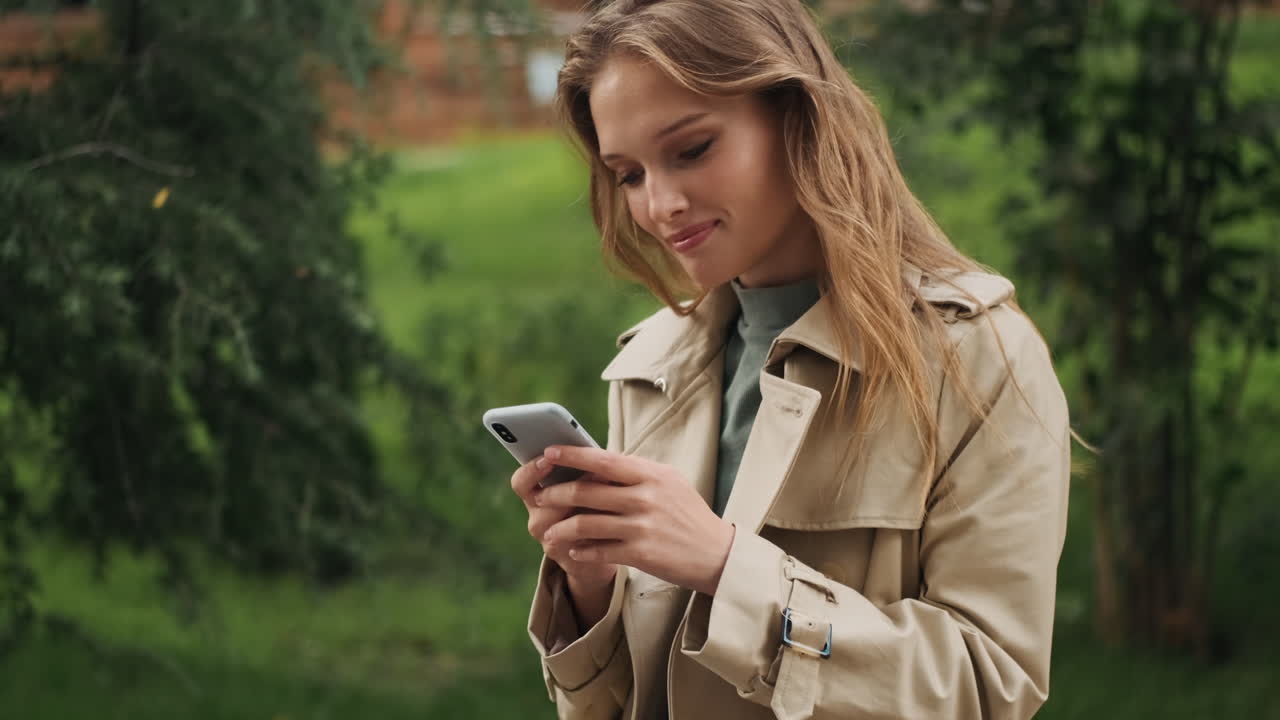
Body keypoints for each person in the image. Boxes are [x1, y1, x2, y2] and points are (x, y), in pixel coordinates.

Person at [507, 1, 1071, 718]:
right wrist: (590, 586)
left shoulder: (977, 356)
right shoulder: (652, 371)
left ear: (797, 118)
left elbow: (989, 687)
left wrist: (724, 566)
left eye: (691, 149)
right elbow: (617, 703)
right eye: (629, 174)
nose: (661, 205)